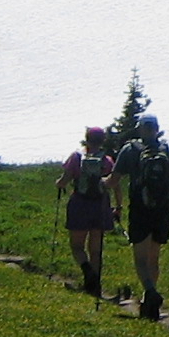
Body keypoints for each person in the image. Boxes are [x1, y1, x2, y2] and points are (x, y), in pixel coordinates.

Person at [107, 113, 169, 319]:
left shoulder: (130, 150)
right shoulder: (168, 151)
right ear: (157, 129)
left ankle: (151, 292)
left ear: (140, 129)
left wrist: (99, 181)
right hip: (163, 212)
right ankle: (148, 304)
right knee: (154, 257)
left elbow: (113, 181)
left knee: (140, 258)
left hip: (140, 209)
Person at [56, 125, 115, 296]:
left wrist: (58, 184)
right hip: (100, 206)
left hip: (79, 204)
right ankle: (95, 285)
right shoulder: (107, 161)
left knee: (77, 246)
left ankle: (87, 271)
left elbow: (64, 181)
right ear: (103, 141)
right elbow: (115, 185)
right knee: (95, 250)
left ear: (86, 139)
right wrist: (118, 206)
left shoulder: (76, 158)